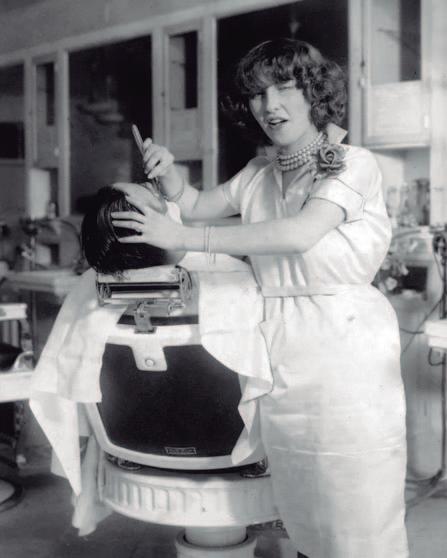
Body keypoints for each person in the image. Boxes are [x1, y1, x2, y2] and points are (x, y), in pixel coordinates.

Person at [111, 39, 409, 558]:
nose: (270, 105)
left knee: (355, 499)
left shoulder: (353, 164)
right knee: (304, 498)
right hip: (283, 341)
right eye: (257, 94)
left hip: (346, 342)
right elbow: (198, 204)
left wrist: (182, 237)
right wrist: (170, 174)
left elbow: (298, 233)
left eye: (284, 88)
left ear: (314, 92)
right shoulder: (259, 173)